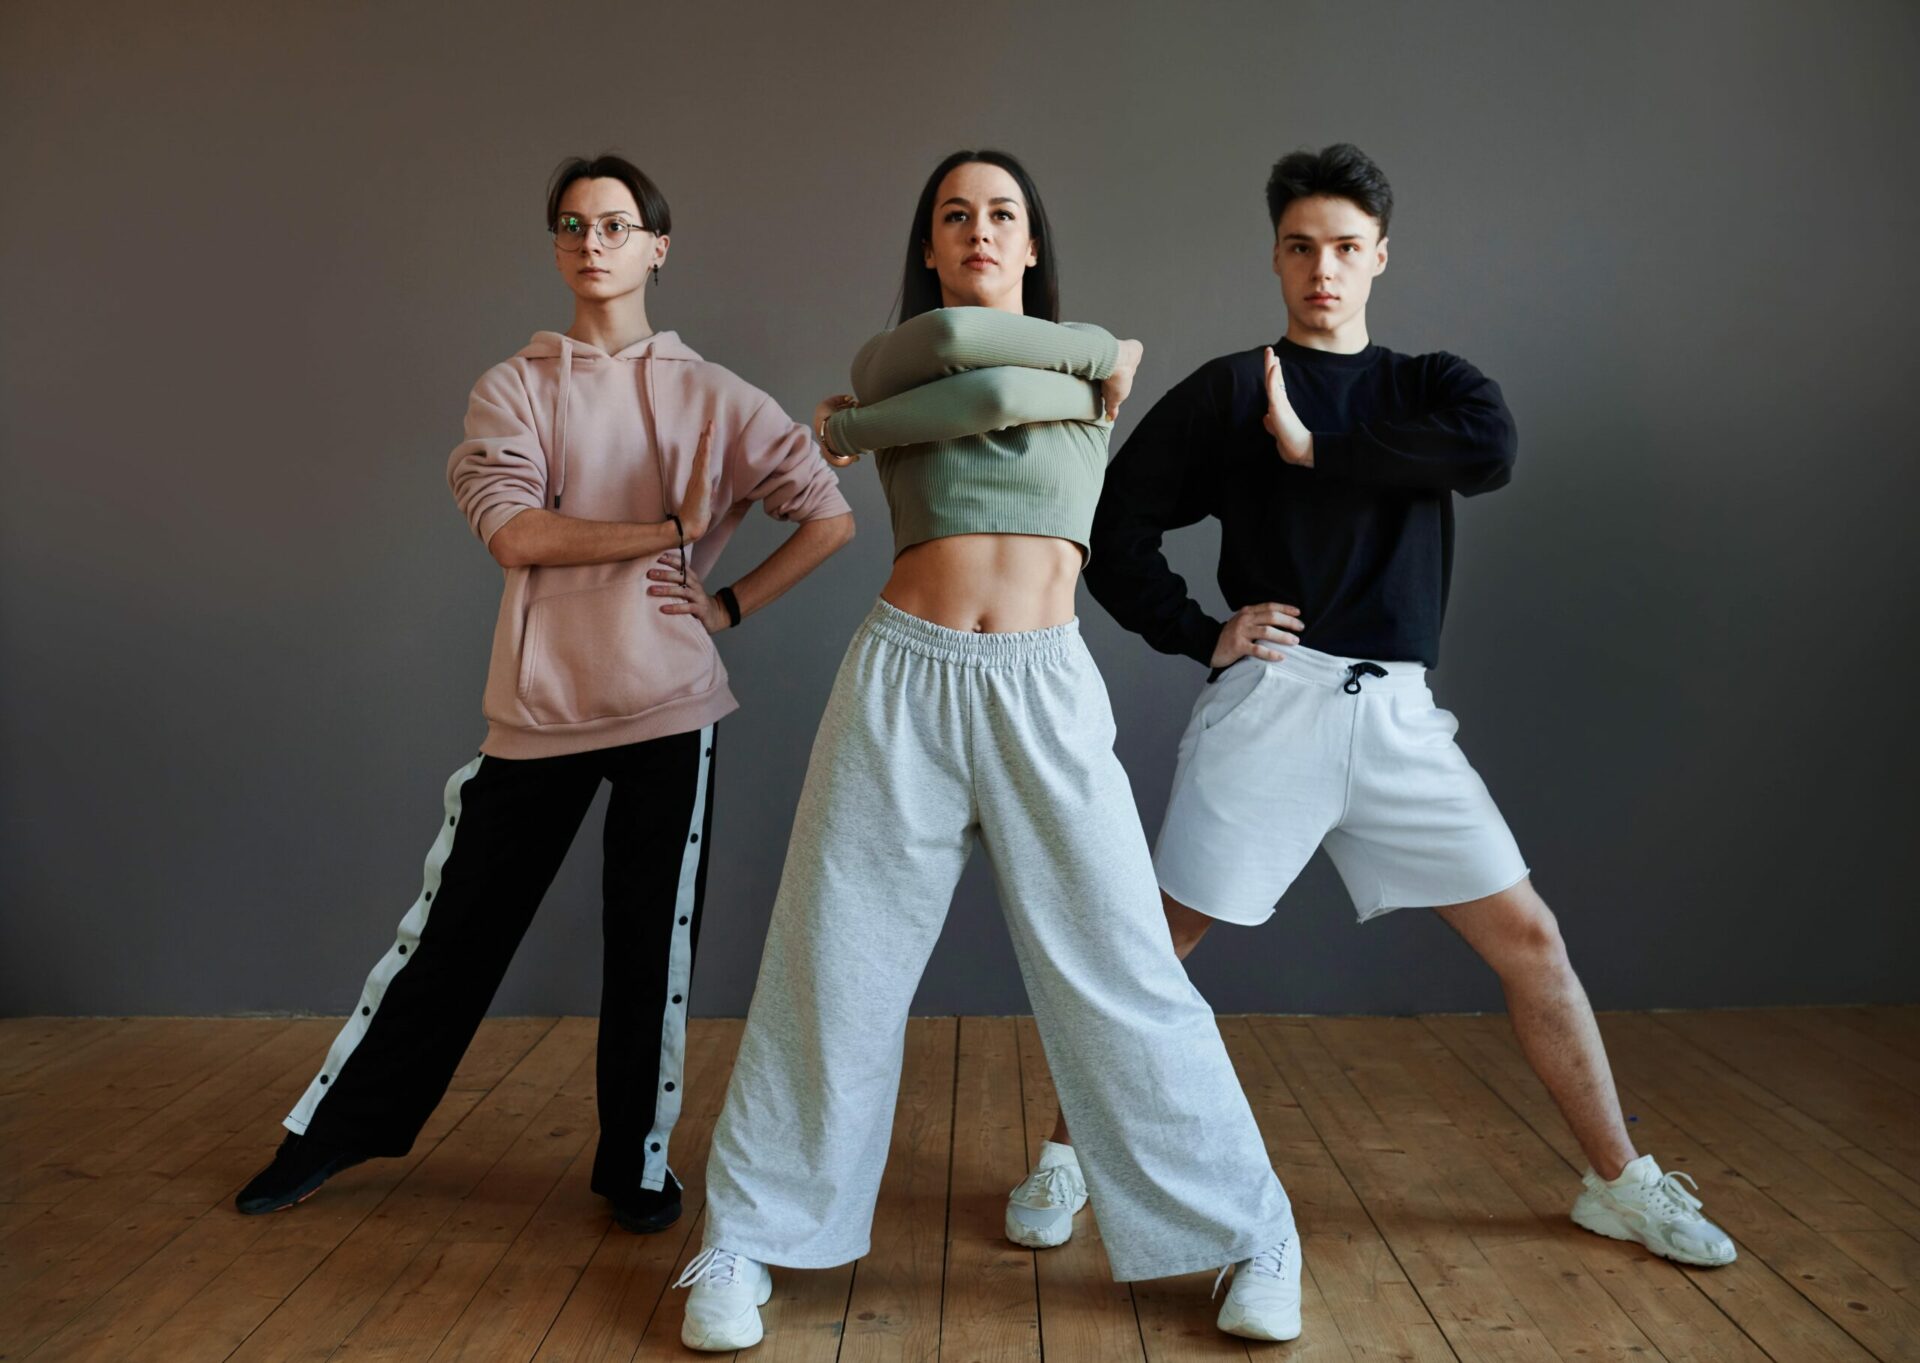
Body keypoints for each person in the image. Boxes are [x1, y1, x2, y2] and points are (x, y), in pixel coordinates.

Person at [1010, 142, 1736, 1271]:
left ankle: (1621, 1182)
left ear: (1381, 256)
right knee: (1157, 949)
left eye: (1346, 248)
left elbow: (1490, 451)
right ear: (1276, 257)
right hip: (1275, 703)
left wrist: (1321, 447)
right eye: (1301, 247)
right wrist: (1204, 631)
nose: (1323, 269)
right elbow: (1108, 527)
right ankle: (1065, 1160)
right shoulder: (1231, 388)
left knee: (1531, 940)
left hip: (1399, 717)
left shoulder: (1427, 386)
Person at [677, 149, 1304, 1352]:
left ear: (1030, 243)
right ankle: (748, 1235)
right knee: (831, 961)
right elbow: (967, 385)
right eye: (953, 214)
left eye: (1001, 214)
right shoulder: (898, 358)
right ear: (929, 246)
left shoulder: (947, 383)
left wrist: (861, 432)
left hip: (1042, 685)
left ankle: (1249, 1231)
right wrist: (1089, 368)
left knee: (1124, 968)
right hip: (903, 674)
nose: (977, 228)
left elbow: (979, 396)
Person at [232, 154, 855, 1235]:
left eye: (616, 224)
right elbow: (516, 534)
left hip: (672, 706)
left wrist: (731, 604)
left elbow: (829, 513)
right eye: (572, 224)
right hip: (542, 707)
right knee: (453, 933)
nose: (592, 241)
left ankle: (636, 1165)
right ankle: (334, 1131)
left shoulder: (715, 395)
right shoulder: (513, 387)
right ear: (557, 245)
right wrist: (672, 532)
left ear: (658, 245)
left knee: (649, 945)